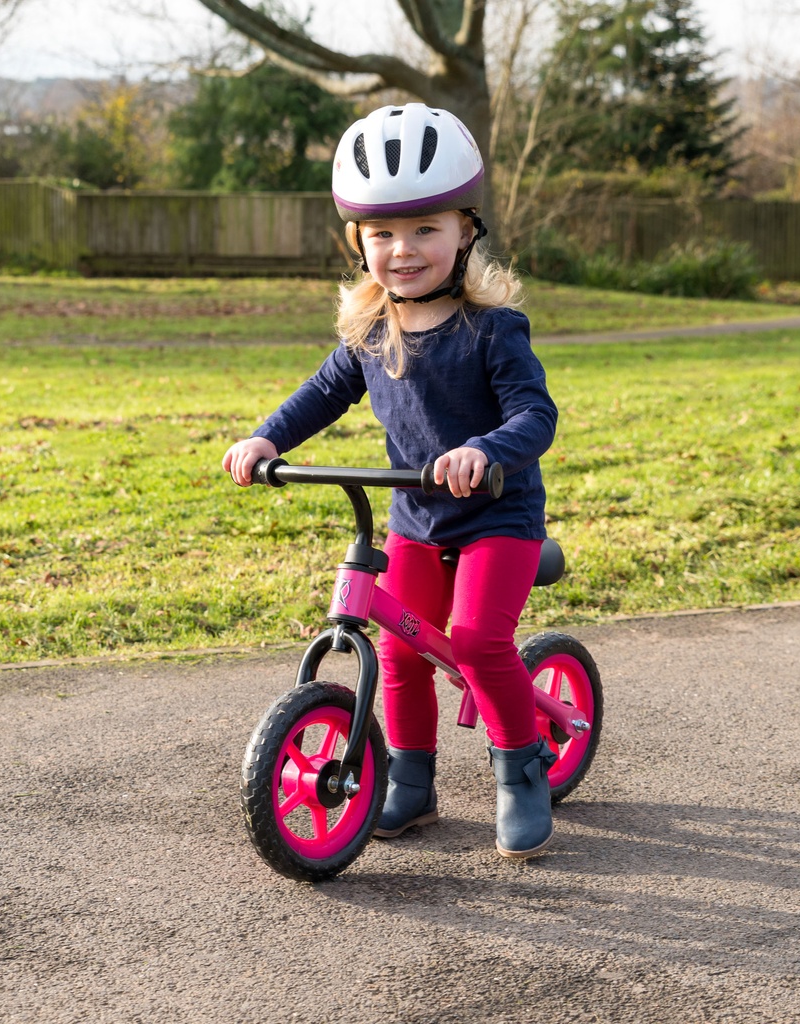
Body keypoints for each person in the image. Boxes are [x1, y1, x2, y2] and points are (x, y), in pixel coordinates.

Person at [222, 103, 559, 859]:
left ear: (466, 231)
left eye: (425, 230)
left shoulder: (493, 330)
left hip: (496, 515)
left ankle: (522, 768)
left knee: (475, 639)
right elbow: (322, 392)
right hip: (416, 515)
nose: (403, 250)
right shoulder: (372, 332)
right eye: (383, 235)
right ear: (359, 243)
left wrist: (487, 449)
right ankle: (410, 778)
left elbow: (536, 415)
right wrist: (267, 437)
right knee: (401, 652)